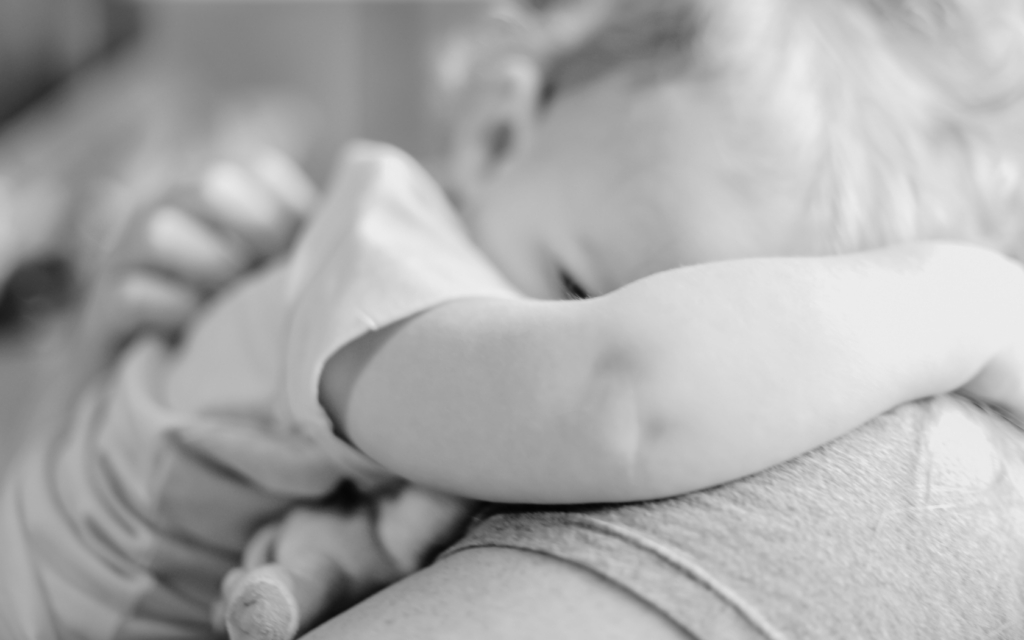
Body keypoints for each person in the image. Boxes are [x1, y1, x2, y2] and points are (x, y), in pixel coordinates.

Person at [3, 2, 1024, 640]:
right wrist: (957, 299)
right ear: (498, 124)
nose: (557, 340)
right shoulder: (379, 242)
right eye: (583, 294)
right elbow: (615, 398)